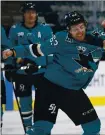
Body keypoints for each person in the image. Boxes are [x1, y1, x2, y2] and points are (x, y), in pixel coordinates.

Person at [3, 11, 105, 135]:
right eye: (74, 29)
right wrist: (13, 51)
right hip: (49, 88)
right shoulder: (60, 39)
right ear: (68, 30)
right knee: (42, 129)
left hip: (73, 91)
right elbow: (37, 49)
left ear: (85, 24)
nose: (79, 31)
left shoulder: (97, 38)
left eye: (81, 27)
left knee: (93, 127)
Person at [8, 2, 53, 131]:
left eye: (33, 12)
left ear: (37, 14)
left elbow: (51, 50)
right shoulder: (15, 29)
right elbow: (9, 50)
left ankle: (41, 130)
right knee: (25, 103)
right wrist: (9, 66)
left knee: (42, 104)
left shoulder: (45, 29)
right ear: (23, 14)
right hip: (22, 74)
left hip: (42, 73)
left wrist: (52, 68)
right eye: (28, 12)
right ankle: (28, 130)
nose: (31, 15)